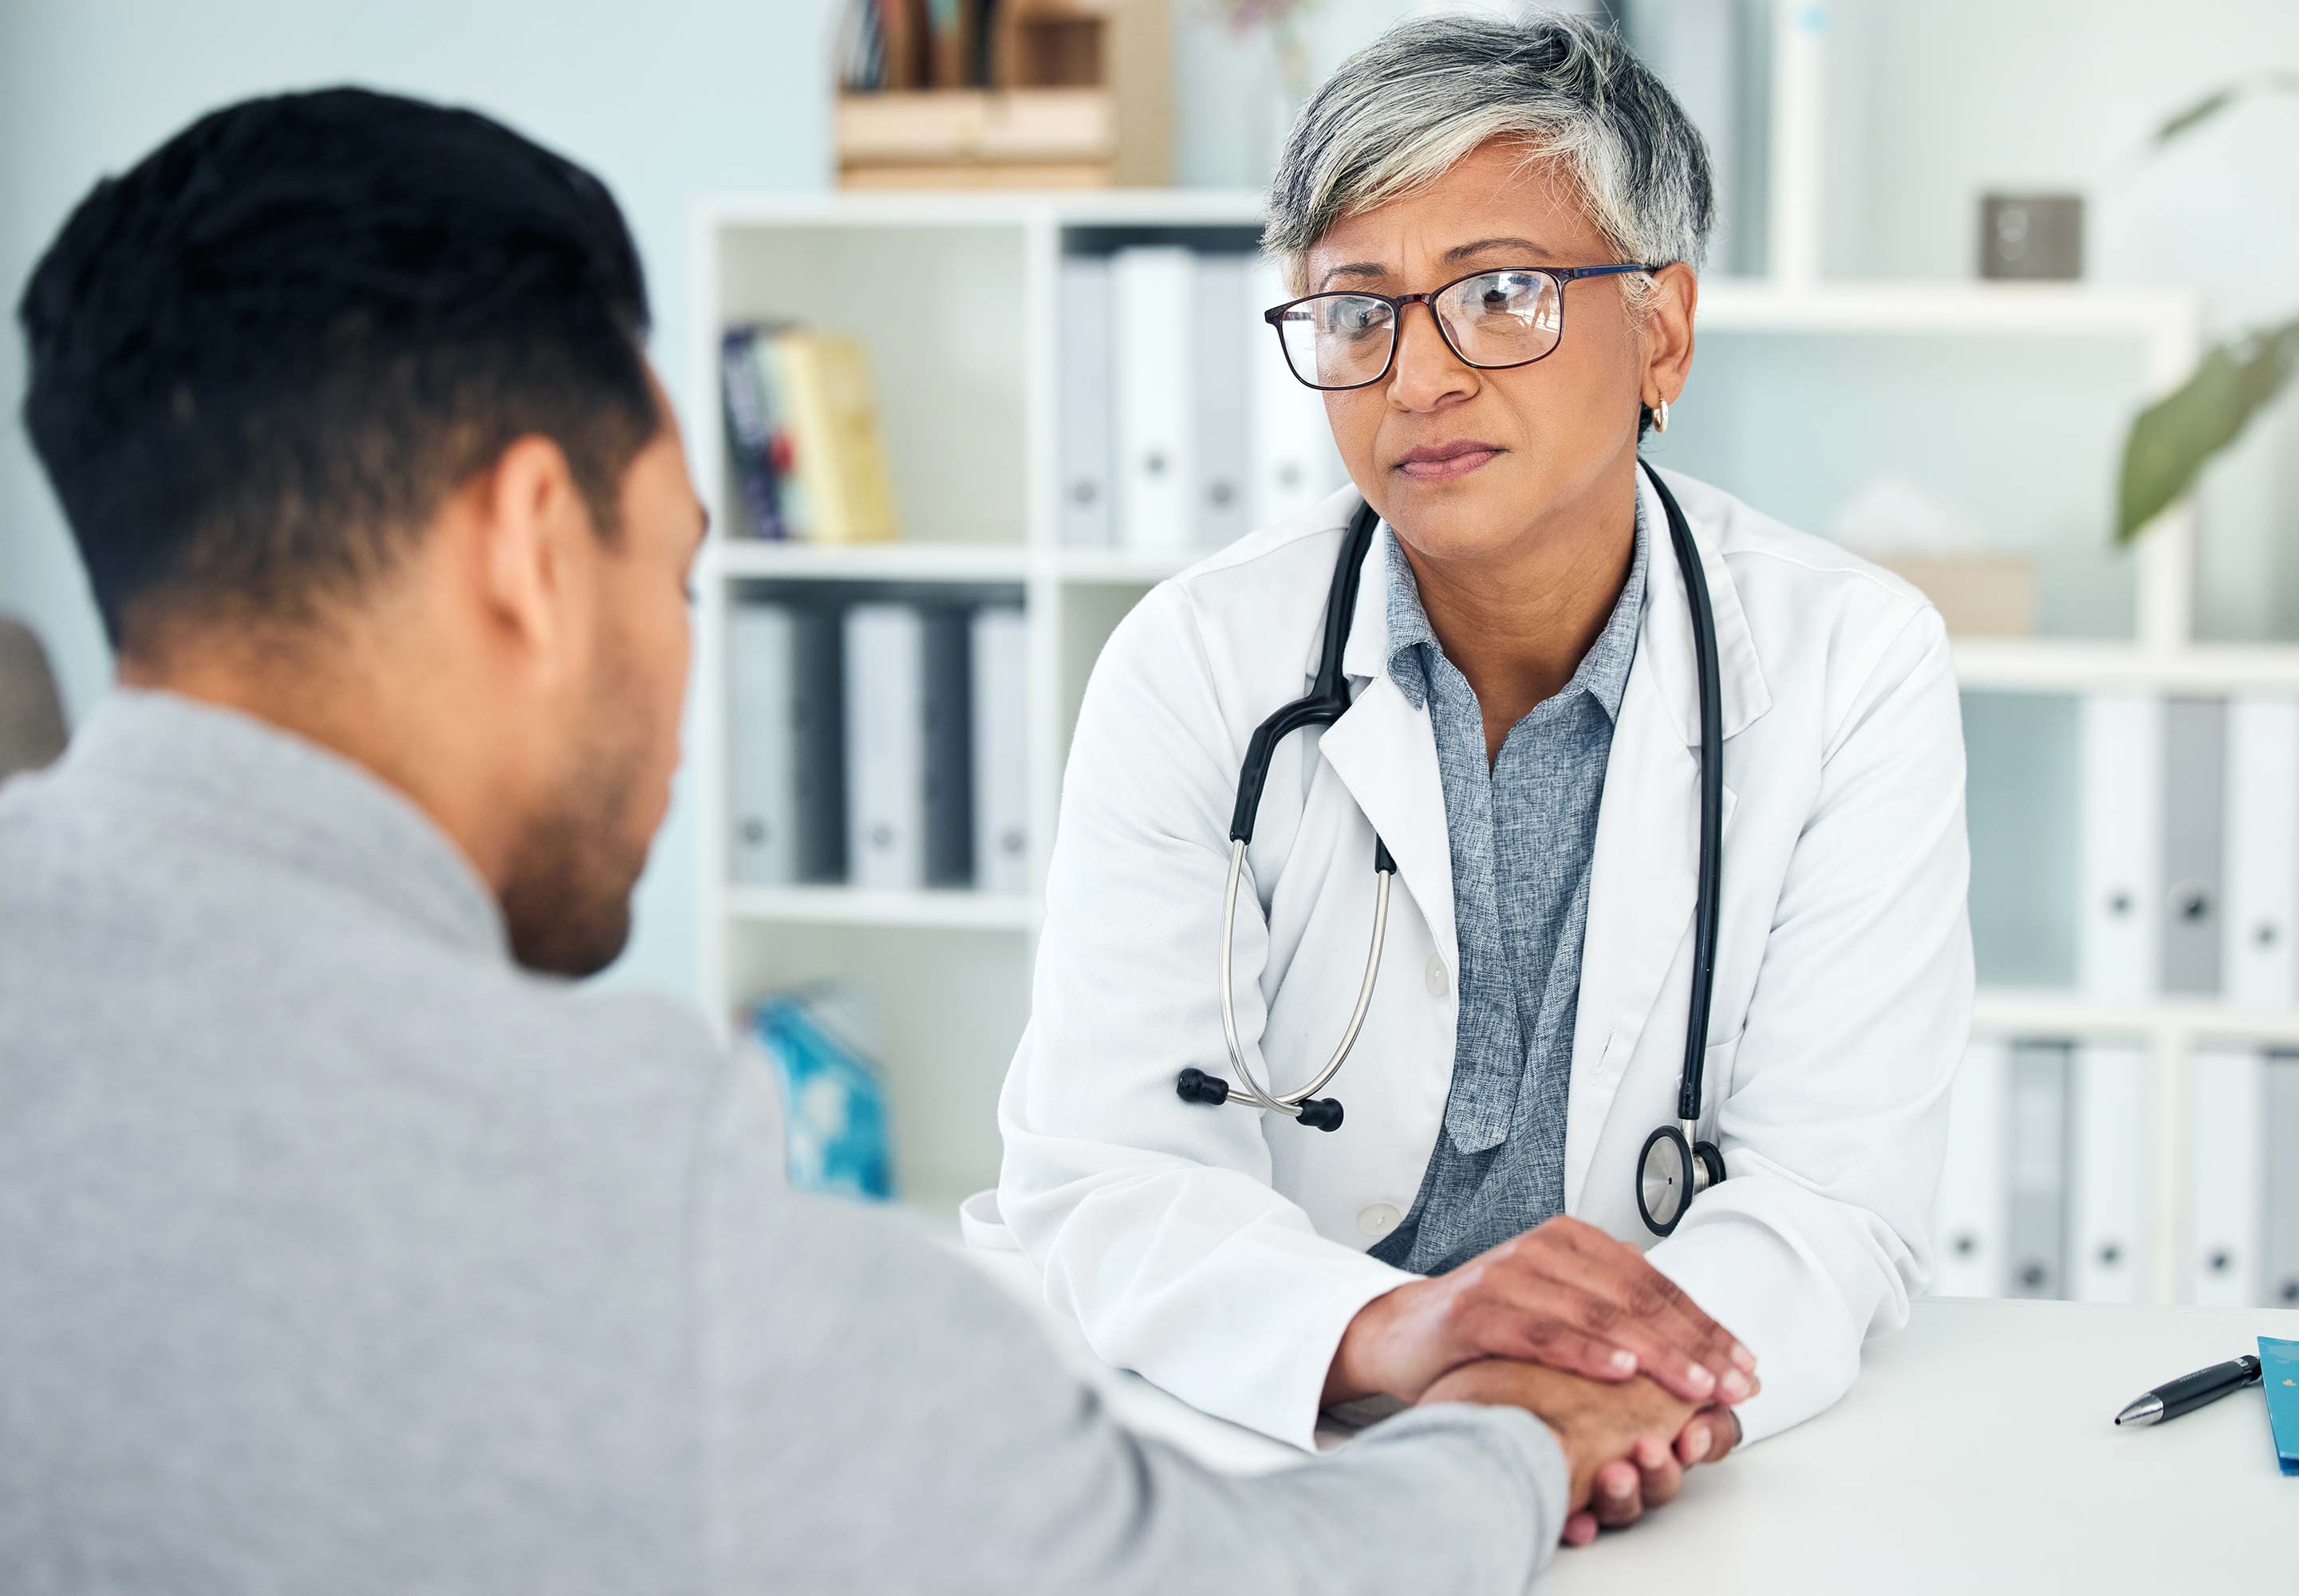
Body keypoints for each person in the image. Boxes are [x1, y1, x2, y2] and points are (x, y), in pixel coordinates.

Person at [0, 87, 1711, 1595]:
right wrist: (1502, 1435)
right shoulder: (636, 1213)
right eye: (675, 570)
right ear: (531, 544)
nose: (681, 685)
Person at [989, 11, 1974, 1519]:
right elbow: (1105, 1173)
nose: (1419, 377)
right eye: (1355, 312)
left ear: (1661, 329)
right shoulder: (1193, 667)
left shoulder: (1853, 667)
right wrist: (1394, 1337)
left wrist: (1580, 1402)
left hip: (1646, 1468)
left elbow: (1830, 1199)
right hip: (1252, 1450)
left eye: (1501, 295)